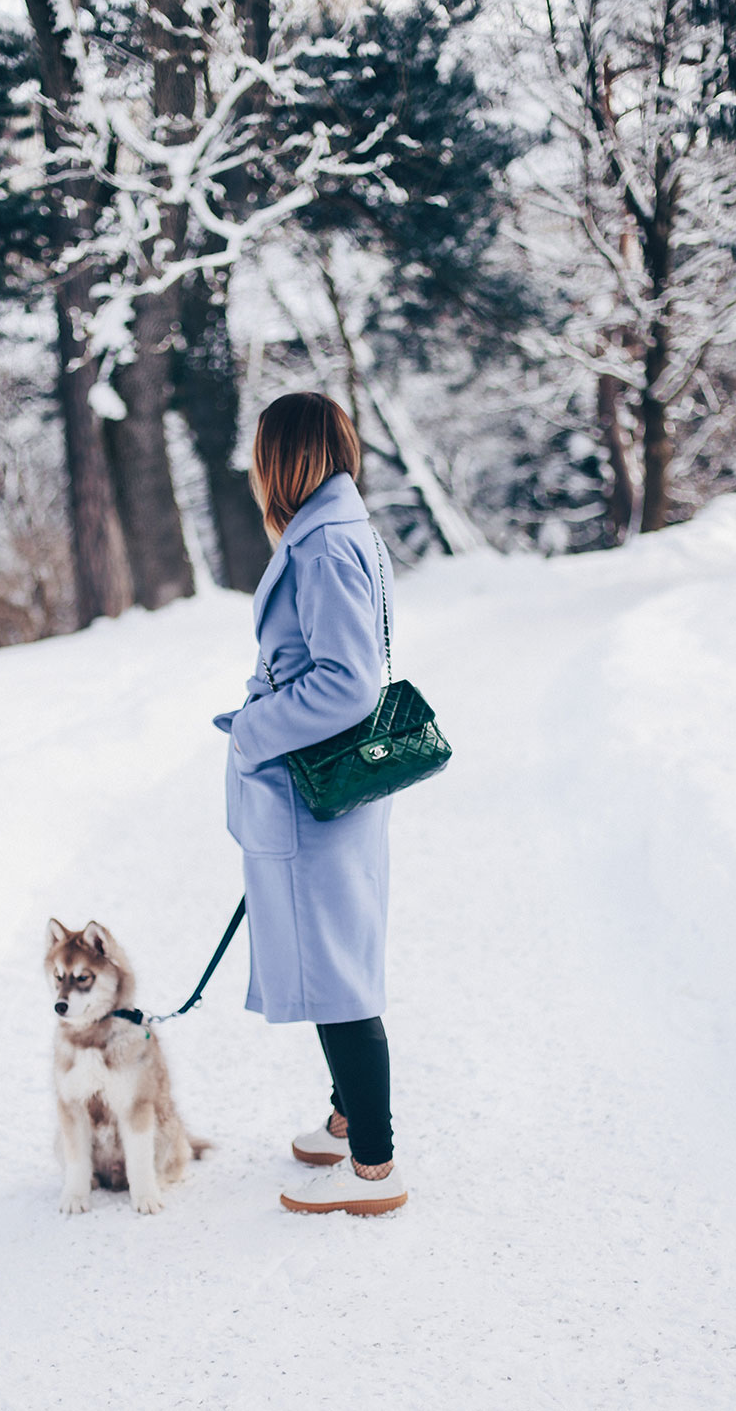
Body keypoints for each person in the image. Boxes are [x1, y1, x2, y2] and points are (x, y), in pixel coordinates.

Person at [213, 391, 406, 1216]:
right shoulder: (340, 528)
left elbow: (349, 683)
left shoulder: (323, 543)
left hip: (313, 786)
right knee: (332, 953)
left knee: (337, 970)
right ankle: (346, 1115)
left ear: (281, 458)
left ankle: (374, 1162)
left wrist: (257, 729)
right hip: (326, 788)